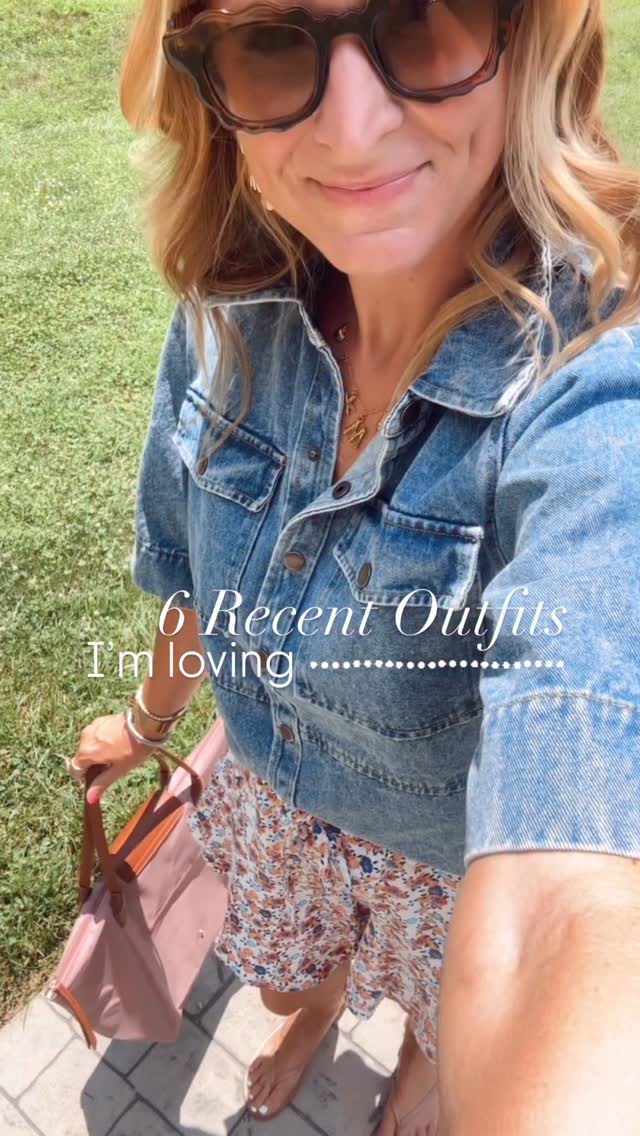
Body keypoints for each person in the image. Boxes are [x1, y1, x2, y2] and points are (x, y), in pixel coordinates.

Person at [68, 0, 640, 1132]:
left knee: (438, 1014)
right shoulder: (228, 307)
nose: (352, 124)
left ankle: (420, 1055)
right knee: (288, 979)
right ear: (212, 91)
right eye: (269, 42)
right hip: (273, 812)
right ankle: (321, 1005)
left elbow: (572, 879)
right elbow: (195, 582)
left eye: (423, 20)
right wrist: (145, 722)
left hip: (445, 877)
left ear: (526, 40)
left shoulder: (593, 385)